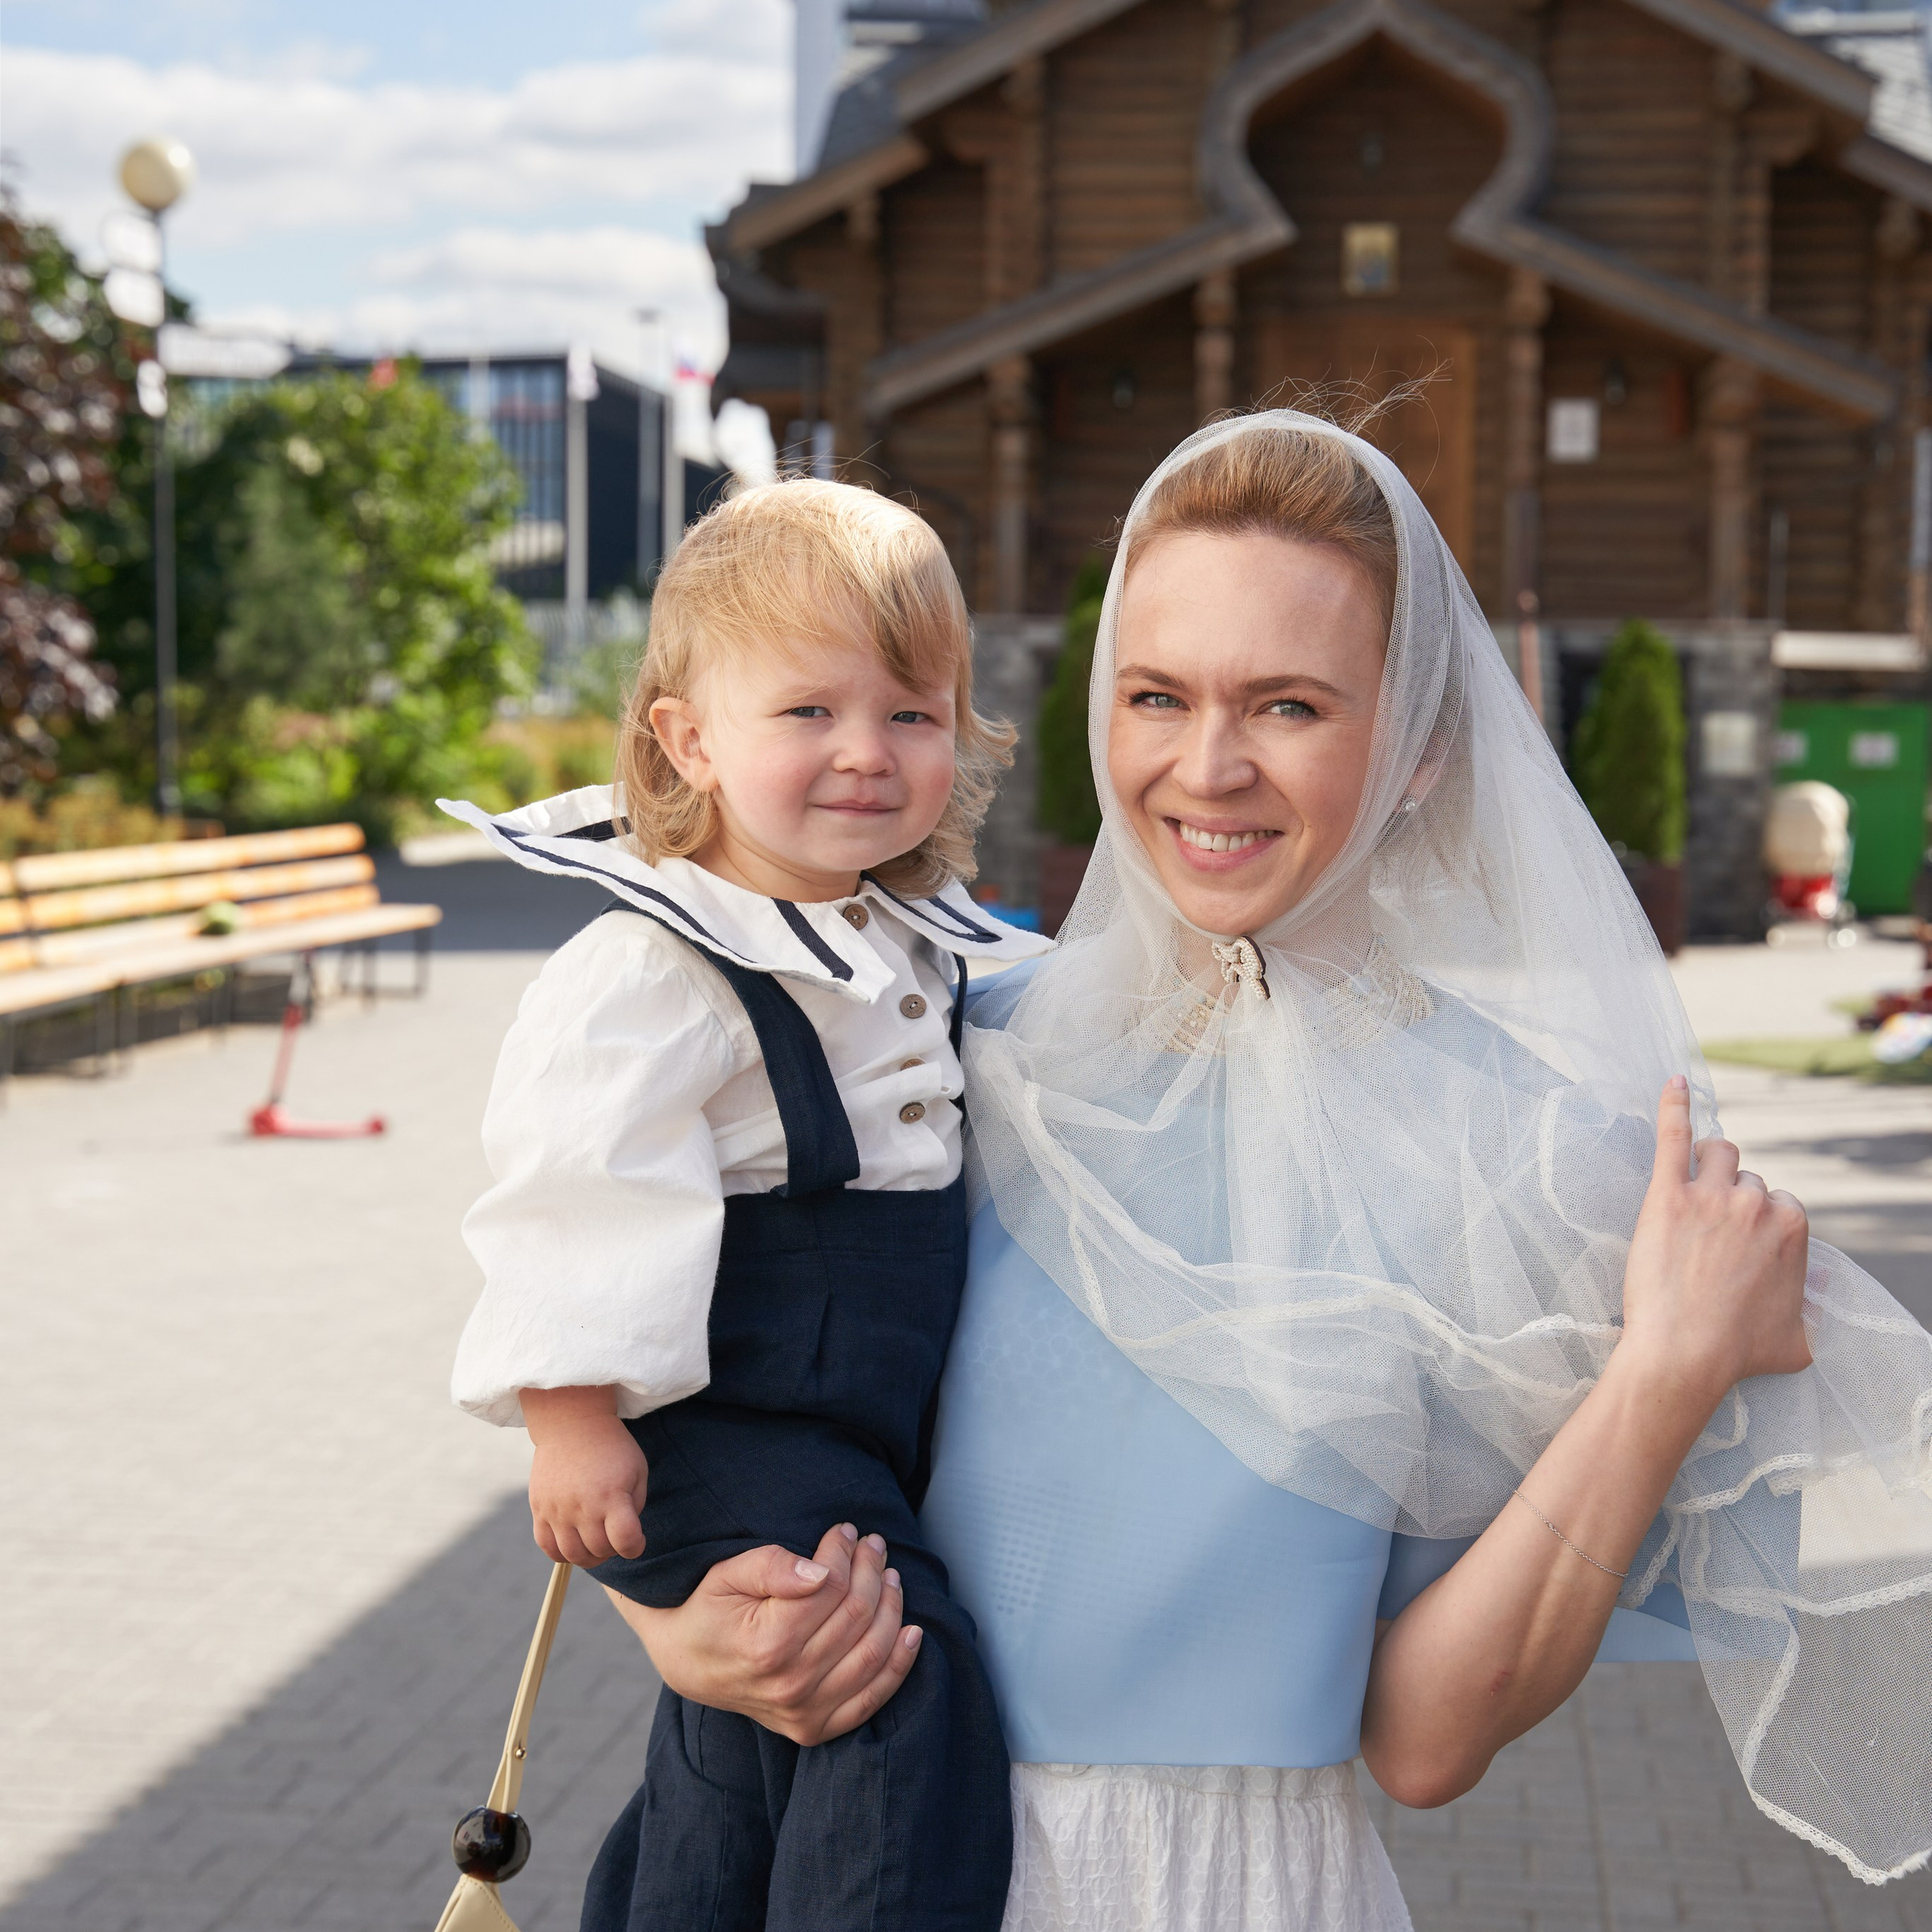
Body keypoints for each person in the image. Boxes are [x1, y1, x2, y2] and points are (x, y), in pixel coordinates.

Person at [601, 412, 1932, 1927]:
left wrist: (1664, 1370)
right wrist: (680, 1626)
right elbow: (672, 1373)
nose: (1206, 766)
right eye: (1155, 694)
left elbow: (1424, 1740)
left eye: (1288, 703)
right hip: (851, 1851)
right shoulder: (940, 1041)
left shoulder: (1530, 1154)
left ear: (1422, 740)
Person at [440, 480, 1051, 1930]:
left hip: (846, 1427)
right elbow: (571, 1185)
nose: (866, 752)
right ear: (687, 737)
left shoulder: (904, 932)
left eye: (911, 712)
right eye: (808, 714)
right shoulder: (658, 964)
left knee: (758, 1719)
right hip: (718, 1430)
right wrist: (571, 1418)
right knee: (893, 1677)